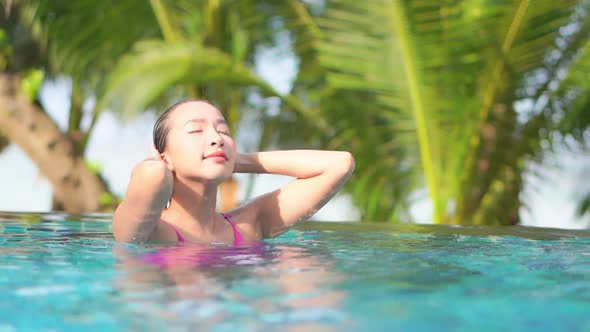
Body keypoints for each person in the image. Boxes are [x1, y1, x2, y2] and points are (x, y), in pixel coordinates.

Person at [112, 99, 355, 244]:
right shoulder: (151, 230)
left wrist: (237, 161)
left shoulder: (250, 226)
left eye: (224, 132)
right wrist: (160, 164)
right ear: (164, 157)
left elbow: (339, 164)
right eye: (196, 130)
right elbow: (151, 177)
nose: (216, 138)